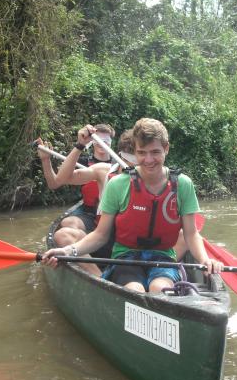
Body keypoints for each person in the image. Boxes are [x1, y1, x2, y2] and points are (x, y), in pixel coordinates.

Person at [42, 118, 223, 293]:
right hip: (125, 257)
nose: (149, 159)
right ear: (135, 152)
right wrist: (68, 250)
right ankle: (104, 284)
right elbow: (100, 235)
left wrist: (205, 260)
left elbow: (191, 233)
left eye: (155, 152)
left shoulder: (183, 184)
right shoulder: (118, 184)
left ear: (166, 149)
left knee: (159, 289)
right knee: (134, 290)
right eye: (142, 153)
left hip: (163, 256)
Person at [37, 125, 131, 275]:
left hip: (129, 238)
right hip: (96, 219)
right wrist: (79, 145)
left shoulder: (152, 176)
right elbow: (56, 182)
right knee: (67, 226)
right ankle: (100, 278)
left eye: (106, 140)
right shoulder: (102, 169)